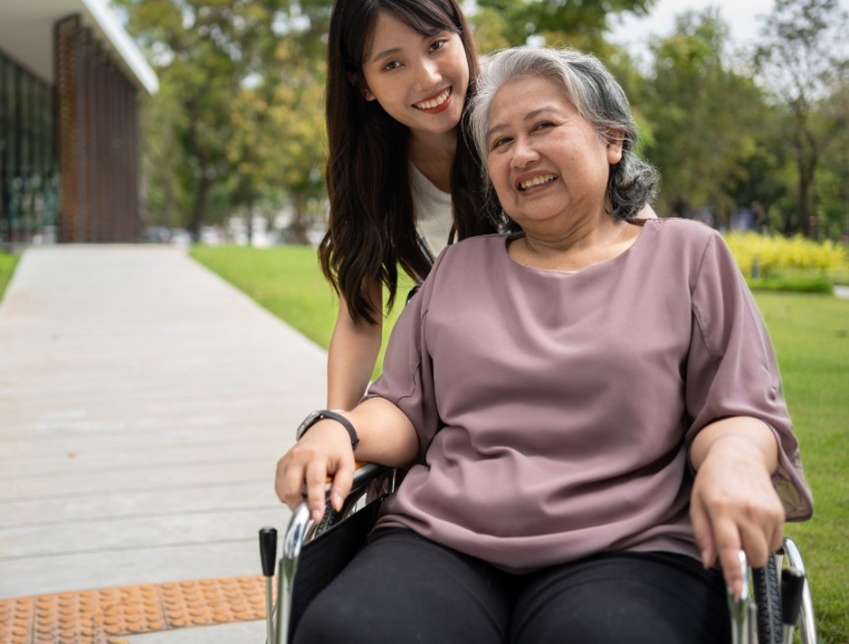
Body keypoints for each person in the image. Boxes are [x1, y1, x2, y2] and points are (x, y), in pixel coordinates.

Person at [277, 46, 813, 643]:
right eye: (501, 142)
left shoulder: (689, 255)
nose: (521, 153)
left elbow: (736, 407)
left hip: (630, 544)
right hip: (442, 538)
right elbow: (404, 407)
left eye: (544, 126)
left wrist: (736, 461)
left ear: (612, 140)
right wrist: (338, 428)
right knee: (350, 631)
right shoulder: (458, 269)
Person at [319, 0, 498, 412]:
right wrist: (337, 421)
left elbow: (624, 219)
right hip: (473, 372)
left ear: (461, 34)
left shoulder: (513, 114)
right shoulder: (369, 172)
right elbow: (361, 320)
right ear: (362, 85)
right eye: (393, 63)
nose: (429, 78)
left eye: (437, 44)